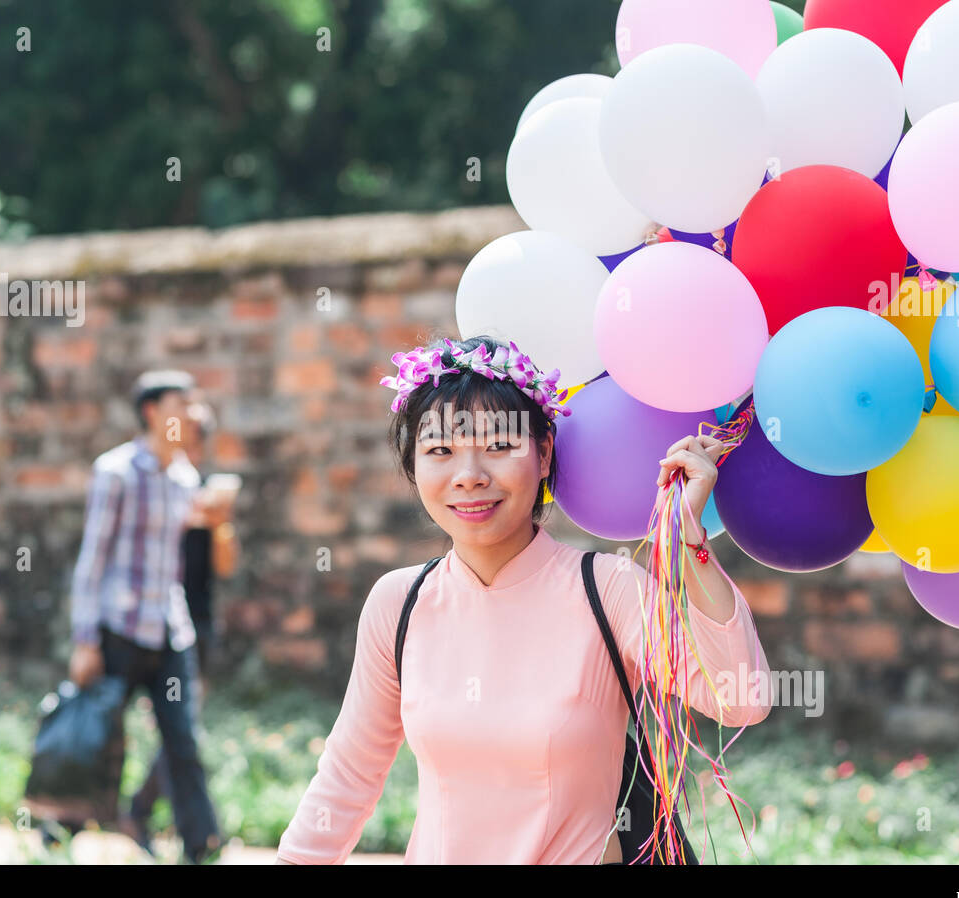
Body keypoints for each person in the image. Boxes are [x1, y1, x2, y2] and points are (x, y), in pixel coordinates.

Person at [275, 335, 772, 865]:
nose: (470, 475)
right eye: (440, 450)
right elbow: (350, 772)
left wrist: (689, 536)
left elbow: (741, 698)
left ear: (543, 454)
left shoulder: (606, 587)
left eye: (498, 446)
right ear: (413, 464)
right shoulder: (399, 602)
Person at [67, 369, 222, 864]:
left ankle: (200, 845)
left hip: (170, 630)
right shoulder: (115, 472)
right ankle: (57, 824)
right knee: (96, 735)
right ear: (153, 412)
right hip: (119, 629)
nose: (191, 413)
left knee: (183, 738)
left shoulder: (183, 478)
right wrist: (85, 639)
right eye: (182, 403)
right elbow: (92, 560)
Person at [126, 395, 238, 852]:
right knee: (170, 727)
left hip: (197, 622)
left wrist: (218, 523)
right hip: (148, 621)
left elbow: (226, 566)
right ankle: (94, 815)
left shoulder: (205, 486)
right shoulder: (150, 483)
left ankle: (140, 813)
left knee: (182, 727)